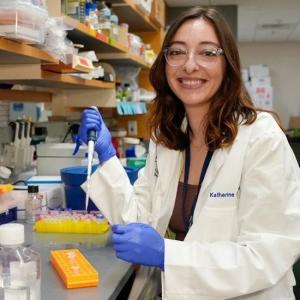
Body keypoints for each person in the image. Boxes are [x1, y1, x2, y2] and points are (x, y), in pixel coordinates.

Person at [76, 6, 300, 300]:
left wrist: (167, 254)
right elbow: (139, 223)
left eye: (207, 53)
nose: (189, 66)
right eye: (177, 52)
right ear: (165, 63)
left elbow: (266, 255)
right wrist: (106, 158)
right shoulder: (167, 137)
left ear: (227, 64)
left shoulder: (261, 137)